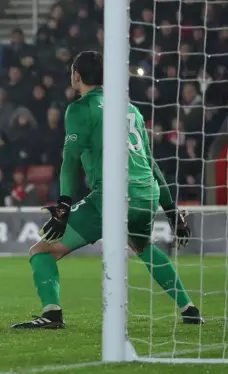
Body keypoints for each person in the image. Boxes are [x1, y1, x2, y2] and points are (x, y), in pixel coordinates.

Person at [11, 51, 203, 329]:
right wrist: (172, 212)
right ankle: (189, 308)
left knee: (40, 251)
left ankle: (52, 314)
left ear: (77, 76)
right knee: (141, 245)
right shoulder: (130, 109)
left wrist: (63, 206)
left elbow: (70, 162)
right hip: (147, 192)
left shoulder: (80, 109)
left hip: (113, 195)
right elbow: (152, 164)